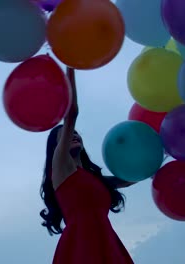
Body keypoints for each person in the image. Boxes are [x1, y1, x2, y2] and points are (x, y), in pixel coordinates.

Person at [40, 67, 136, 264]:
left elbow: (127, 179)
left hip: (106, 240)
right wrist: (71, 66)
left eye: (76, 133)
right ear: (58, 147)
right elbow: (71, 114)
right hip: (80, 245)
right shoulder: (61, 168)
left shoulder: (94, 179)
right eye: (66, 135)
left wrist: (160, 156)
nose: (74, 134)